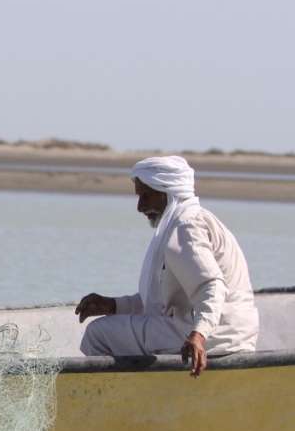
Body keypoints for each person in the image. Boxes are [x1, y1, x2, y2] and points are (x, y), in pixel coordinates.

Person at [75, 155, 258, 377]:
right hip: (220, 330)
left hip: (213, 335)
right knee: (111, 325)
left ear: (166, 193)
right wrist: (114, 306)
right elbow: (162, 302)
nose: (140, 207)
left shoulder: (185, 227)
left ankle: (120, 400)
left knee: (98, 333)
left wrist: (199, 334)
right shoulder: (189, 220)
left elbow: (211, 287)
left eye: (146, 196)